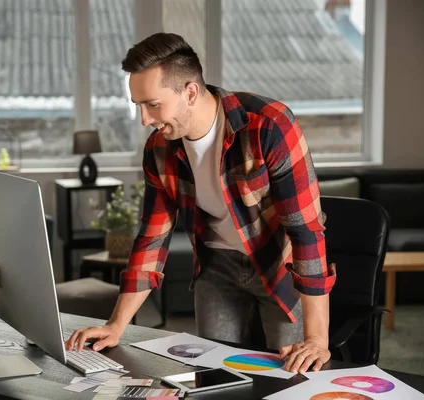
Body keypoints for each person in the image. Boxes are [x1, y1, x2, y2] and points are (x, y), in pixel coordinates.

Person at [65, 32, 337, 374]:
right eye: (138, 106)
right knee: (214, 377)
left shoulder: (269, 126)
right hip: (216, 267)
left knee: (289, 376)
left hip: (278, 266)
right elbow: (152, 238)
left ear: (190, 92)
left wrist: (317, 338)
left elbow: (306, 232)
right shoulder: (159, 149)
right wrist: (116, 325)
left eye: (152, 104)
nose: (145, 120)